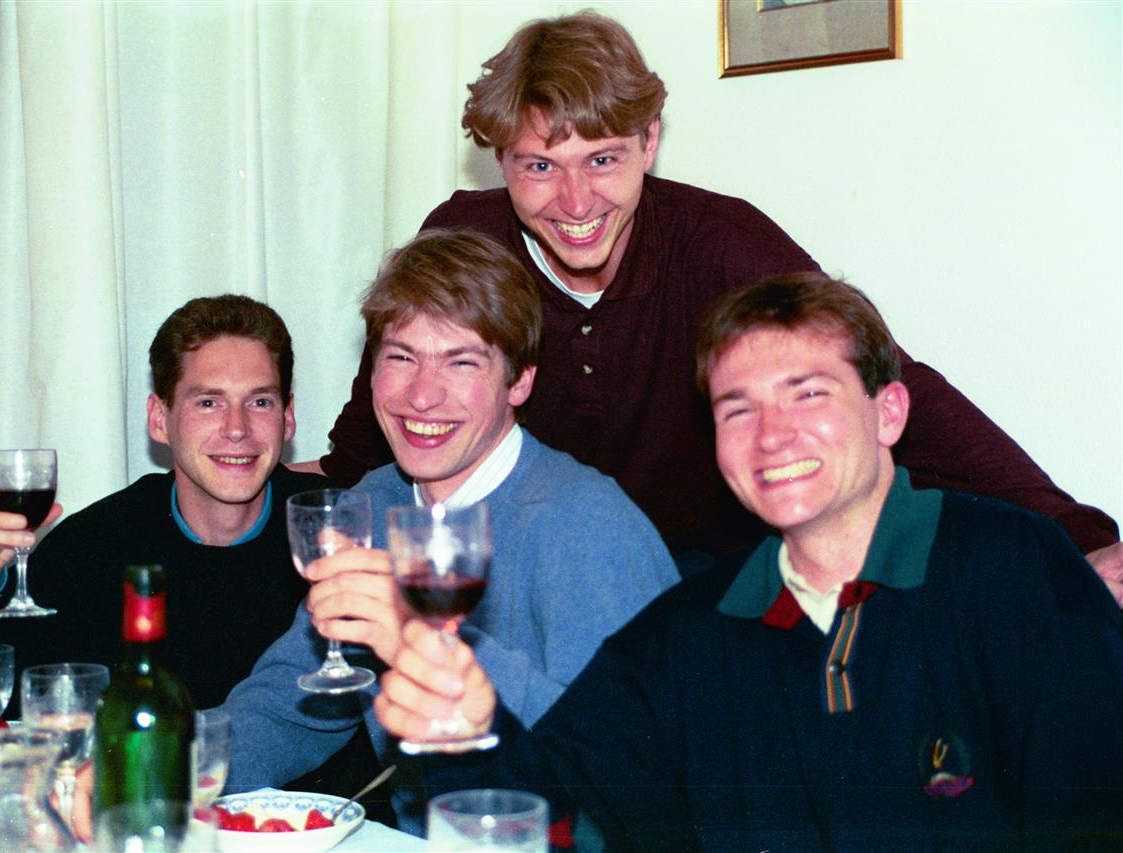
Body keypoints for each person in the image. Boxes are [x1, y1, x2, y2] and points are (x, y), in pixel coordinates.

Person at [305, 10, 1121, 588]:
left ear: (650, 141)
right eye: (540, 167)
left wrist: (1080, 537)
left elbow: (880, 383)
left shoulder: (721, 244)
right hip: (526, 572)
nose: (576, 201)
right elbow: (381, 420)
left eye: (603, 160)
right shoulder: (467, 237)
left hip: (705, 574)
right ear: (502, 164)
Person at [375, 273, 1123, 850]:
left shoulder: (1012, 566)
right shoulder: (684, 634)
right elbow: (554, 815)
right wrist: (463, 731)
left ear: (888, 411)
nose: (772, 435)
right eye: (738, 408)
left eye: (807, 394)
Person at [220, 230, 680, 833]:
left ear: (520, 382)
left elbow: (627, 773)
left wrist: (424, 639)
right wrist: (160, 763)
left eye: (461, 362)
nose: (421, 395)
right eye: (400, 357)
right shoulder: (375, 502)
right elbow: (291, 702)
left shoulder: (586, 525)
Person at [0, 295, 385, 812]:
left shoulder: (337, 536)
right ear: (159, 419)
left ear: (288, 417)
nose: (237, 428)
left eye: (260, 402)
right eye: (207, 403)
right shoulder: (96, 546)